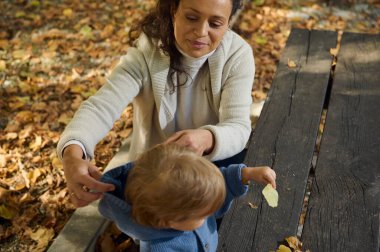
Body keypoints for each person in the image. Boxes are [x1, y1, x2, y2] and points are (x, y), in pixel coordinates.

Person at [57, 0, 255, 207]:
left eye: (215, 24)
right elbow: (103, 105)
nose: (201, 32)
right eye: (192, 18)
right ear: (173, 11)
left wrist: (207, 138)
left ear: (228, 23)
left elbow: (239, 127)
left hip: (213, 174)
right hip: (154, 179)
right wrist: (72, 153)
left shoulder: (237, 56)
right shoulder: (146, 52)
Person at [98, 144, 276, 251]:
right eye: (202, 214)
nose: (210, 212)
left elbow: (216, 190)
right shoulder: (160, 248)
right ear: (166, 221)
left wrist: (247, 174)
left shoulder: (189, 205)